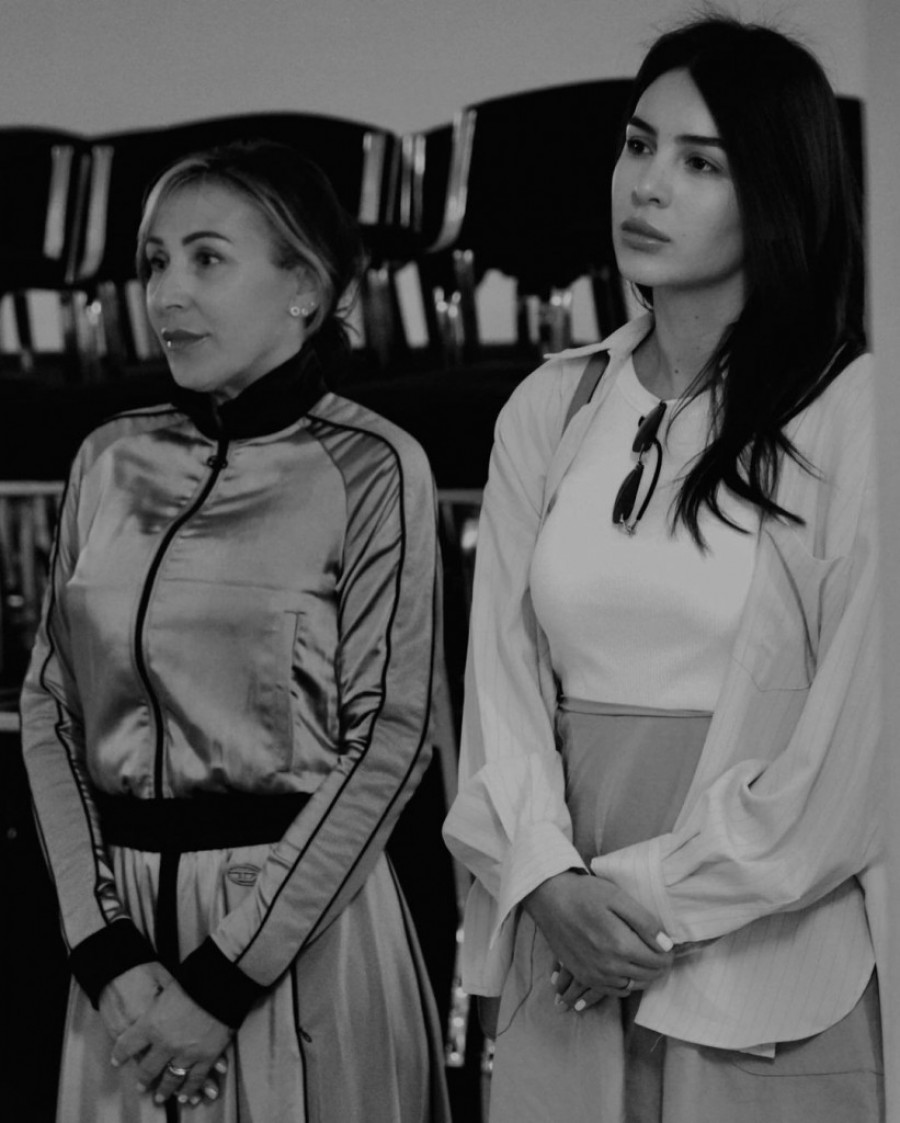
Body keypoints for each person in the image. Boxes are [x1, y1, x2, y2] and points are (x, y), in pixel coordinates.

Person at [443, 14, 885, 1122]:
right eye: (638, 146)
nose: (647, 186)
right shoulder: (552, 405)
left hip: (759, 955)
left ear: (777, 191)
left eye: (701, 163)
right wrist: (549, 881)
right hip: (563, 939)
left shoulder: (854, 414)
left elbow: (857, 762)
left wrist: (635, 900)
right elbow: (499, 686)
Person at [21, 140, 452, 1122]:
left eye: (207, 258)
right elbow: (50, 706)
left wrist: (222, 981)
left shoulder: (377, 466)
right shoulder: (107, 459)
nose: (166, 293)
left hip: (298, 939)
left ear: (305, 286)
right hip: (123, 965)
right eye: (154, 262)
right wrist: (102, 946)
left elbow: (389, 740)